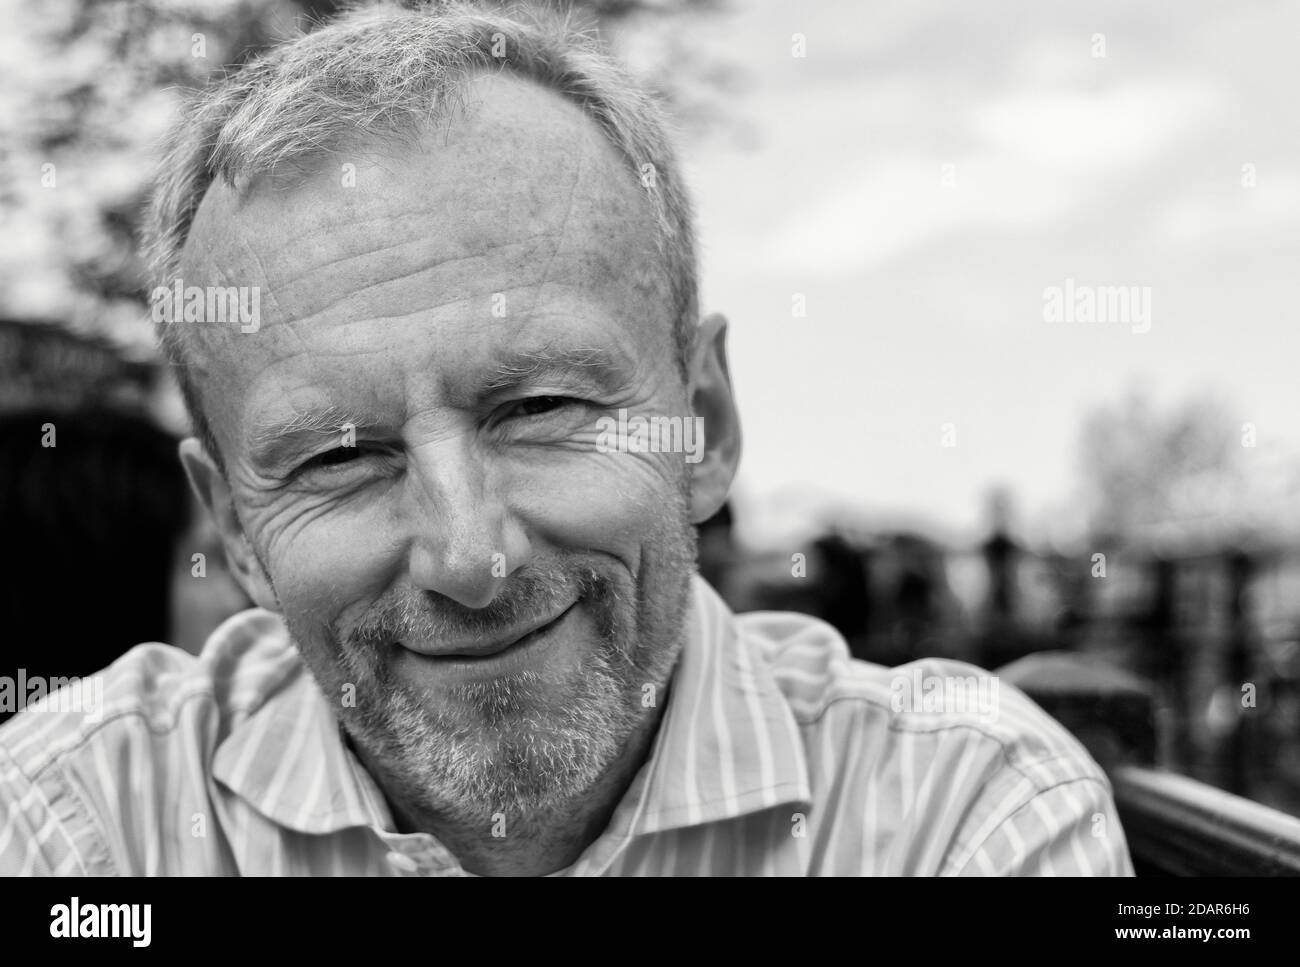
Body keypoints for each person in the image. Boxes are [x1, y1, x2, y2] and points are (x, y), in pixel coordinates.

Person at [0, 0, 1133, 876]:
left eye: (539, 409)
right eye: (339, 457)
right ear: (237, 526)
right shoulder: (81, 816)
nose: (470, 556)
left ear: (705, 422)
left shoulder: (956, 809)